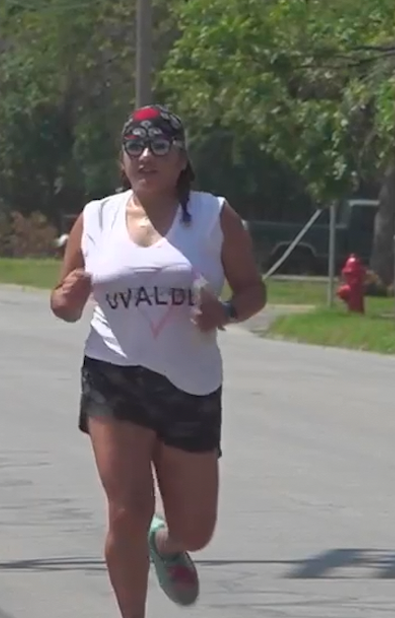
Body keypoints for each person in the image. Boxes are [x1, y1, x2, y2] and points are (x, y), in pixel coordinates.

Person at [49, 104, 265, 617]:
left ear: (181, 158)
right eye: (134, 146)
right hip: (113, 375)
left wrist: (226, 311)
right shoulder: (96, 216)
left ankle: (167, 544)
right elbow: (61, 302)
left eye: (159, 145)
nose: (146, 155)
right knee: (126, 509)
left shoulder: (214, 215)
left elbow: (254, 290)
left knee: (197, 528)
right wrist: (72, 296)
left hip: (189, 384)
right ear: (122, 159)